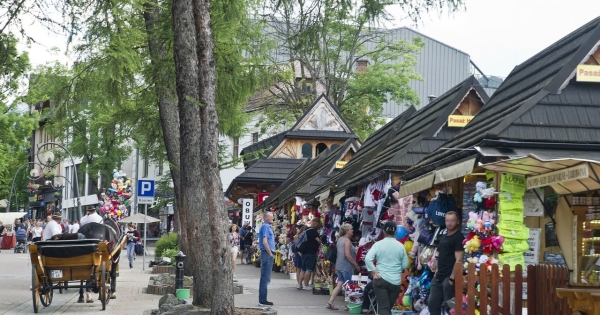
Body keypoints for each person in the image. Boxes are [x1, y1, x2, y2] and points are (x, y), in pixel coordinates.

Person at [365, 221, 409, 315]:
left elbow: (368, 258)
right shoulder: (401, 246)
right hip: (395, 282)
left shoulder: (378, 244)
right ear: (395, 232)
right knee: (387, 307)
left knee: (384, 308)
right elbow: (405, 265)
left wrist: (374, 272)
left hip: (380, 279)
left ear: (384, 231)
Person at [428, 211, 465, 315]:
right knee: (432, 304)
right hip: (439, 277)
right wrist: (436, 272)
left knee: (451, 308)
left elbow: (459, 260)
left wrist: (452, 279)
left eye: (452, 221)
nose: (449, 223)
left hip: (449, 278)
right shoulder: (443, 237)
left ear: (457, 222)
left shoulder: (459, 237)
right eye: (447, 221)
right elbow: (439, 256)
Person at [327, 223, 360, 310]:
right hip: (346, 266)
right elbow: (348, 255)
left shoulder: (340, 239)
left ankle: (330, 302)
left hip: (339, 265)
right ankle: (349, 304)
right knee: (349, 286)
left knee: (339, 285)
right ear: (347, 231)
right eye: (351, 229)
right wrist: (355, 264)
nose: (352, 231)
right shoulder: (347, 241)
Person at [299, 217, 321, 290]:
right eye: (318, 225)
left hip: (304, 252)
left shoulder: (306, 230)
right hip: (311, 252)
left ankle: (300, 285)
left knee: (303, 269)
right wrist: (320, 242)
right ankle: (306, 285)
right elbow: (318, 240)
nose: (318, 226)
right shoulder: (314, 232)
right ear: (315, 223)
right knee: (308, 269)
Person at [258, 212, 275, 307]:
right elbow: (265, 242)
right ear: (265, 218)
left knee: (265, 277)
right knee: (265, 277)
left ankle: (262, 299)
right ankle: (262, 300)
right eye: (270, 216)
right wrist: (270, 253)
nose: (272, 218)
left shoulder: (266, 226)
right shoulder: (265, 227)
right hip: (267, 253)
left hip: (266, 253)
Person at [294, 222, 306, 289]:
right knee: (301, 269)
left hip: (298, 254)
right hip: (300, 253)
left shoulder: (297, 236)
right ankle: (300, 283)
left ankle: (299, 283)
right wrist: (300, 253)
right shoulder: (301, 237)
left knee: (299, 269)